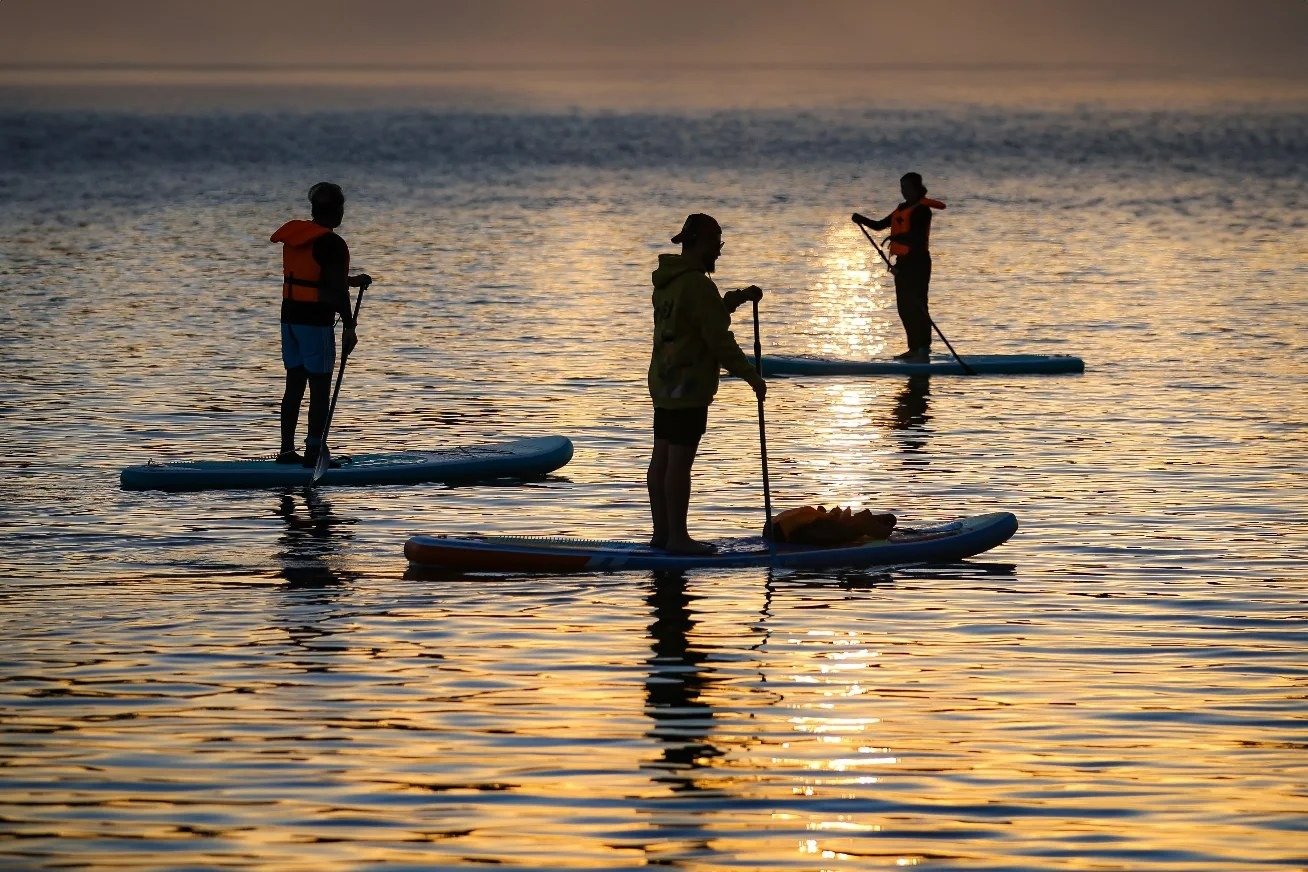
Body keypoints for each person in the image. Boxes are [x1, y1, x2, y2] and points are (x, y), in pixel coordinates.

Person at [648, 213, 767, 555]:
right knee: (679, 463)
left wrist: (738, 298)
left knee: (662, 458)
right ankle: (678, 539)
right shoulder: (698, 284)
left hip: (664, 382)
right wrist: (751, 376)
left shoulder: (669, 281)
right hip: (687, 387)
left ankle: (662, 535)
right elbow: (718, 339)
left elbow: (700, 315)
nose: (718, 253)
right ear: (697, 243)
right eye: (715, 245)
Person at [270, 182, 371, 467]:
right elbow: (336, 289)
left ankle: (287, 452)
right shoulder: (332, 243)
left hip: (289, 318)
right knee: (320, 386)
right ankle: (314, 453)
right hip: (315, 323)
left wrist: (352, 280)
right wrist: (350, 326)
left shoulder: (298, 237)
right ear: (337, 210)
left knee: (294, 383)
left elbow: (318, 278)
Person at [852, 172, 946, 363]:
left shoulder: (922, 211)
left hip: (918, 263)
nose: (904, 192)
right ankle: (913, 349)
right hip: (902, 264)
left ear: (917, 188)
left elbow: (917, 237)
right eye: (902, 188)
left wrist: (895, 238)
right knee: (904, 308)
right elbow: (880, 226)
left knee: (918, 306)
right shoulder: (901, 209)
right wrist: (862, 219)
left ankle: (923, 350)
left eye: (908, 188)